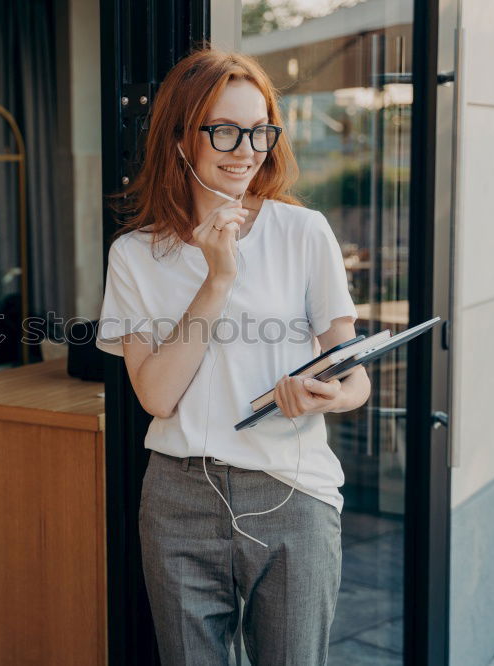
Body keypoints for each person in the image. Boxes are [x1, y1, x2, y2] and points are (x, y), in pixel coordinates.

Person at [95, 48, 372, 665]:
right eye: (225, 130)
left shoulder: (303, 233)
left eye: (259, 131)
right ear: (179, 139)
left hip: (291, 490)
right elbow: (157, 397)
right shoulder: (135, 256)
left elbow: (354, 376)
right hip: (178, 498)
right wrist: (216, 280)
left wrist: (329, 392)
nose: (246, 148)